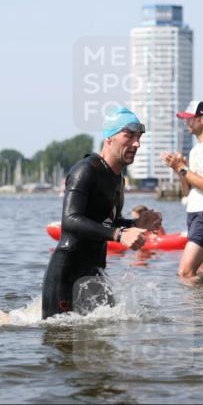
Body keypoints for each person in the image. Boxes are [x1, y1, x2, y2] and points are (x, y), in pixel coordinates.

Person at [41, 108, 161, 319]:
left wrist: (135, 223)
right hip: (68, 276)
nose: (137, 143)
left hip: (95, 273)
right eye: (129, 135)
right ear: (109, 138)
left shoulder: (118, 178)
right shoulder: (85, 170)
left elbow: (106, 221)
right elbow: (70, 220)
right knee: (64, 345)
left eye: (139, 137)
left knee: (107, 340)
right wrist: (119, 235)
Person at [160, 100, 203, 280]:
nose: (186, 123)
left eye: (190, 119)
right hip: (195, 213)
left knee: (185, 273)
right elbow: (188, 191)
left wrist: (183, 168)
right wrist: (179, 170)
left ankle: (192, 309)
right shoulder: (195, 150)